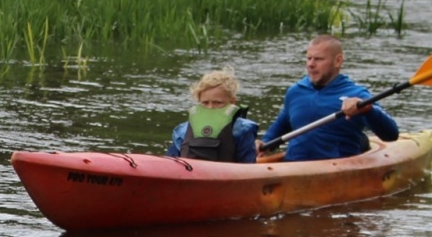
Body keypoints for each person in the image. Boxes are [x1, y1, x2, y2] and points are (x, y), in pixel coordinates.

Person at [262, 35, 399, 162]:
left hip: (337, 168)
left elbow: (391, 135)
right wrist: (264, 142)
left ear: (338, 61)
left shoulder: (357, 94)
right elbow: (282, 124)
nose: (311, 64)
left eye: (318, 59)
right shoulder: (296, 91)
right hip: (294, 167)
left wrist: (368, 110)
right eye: (308, 58)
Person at [165, 69, 261, 163]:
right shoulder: (182, 130)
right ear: (199, 102)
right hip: (188, 174)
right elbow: (170, 163)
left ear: (232, 101)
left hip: (227, 175)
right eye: (205, 103)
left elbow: (248, 164)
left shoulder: (242, 129)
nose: (210, 108)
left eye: (218, 103)